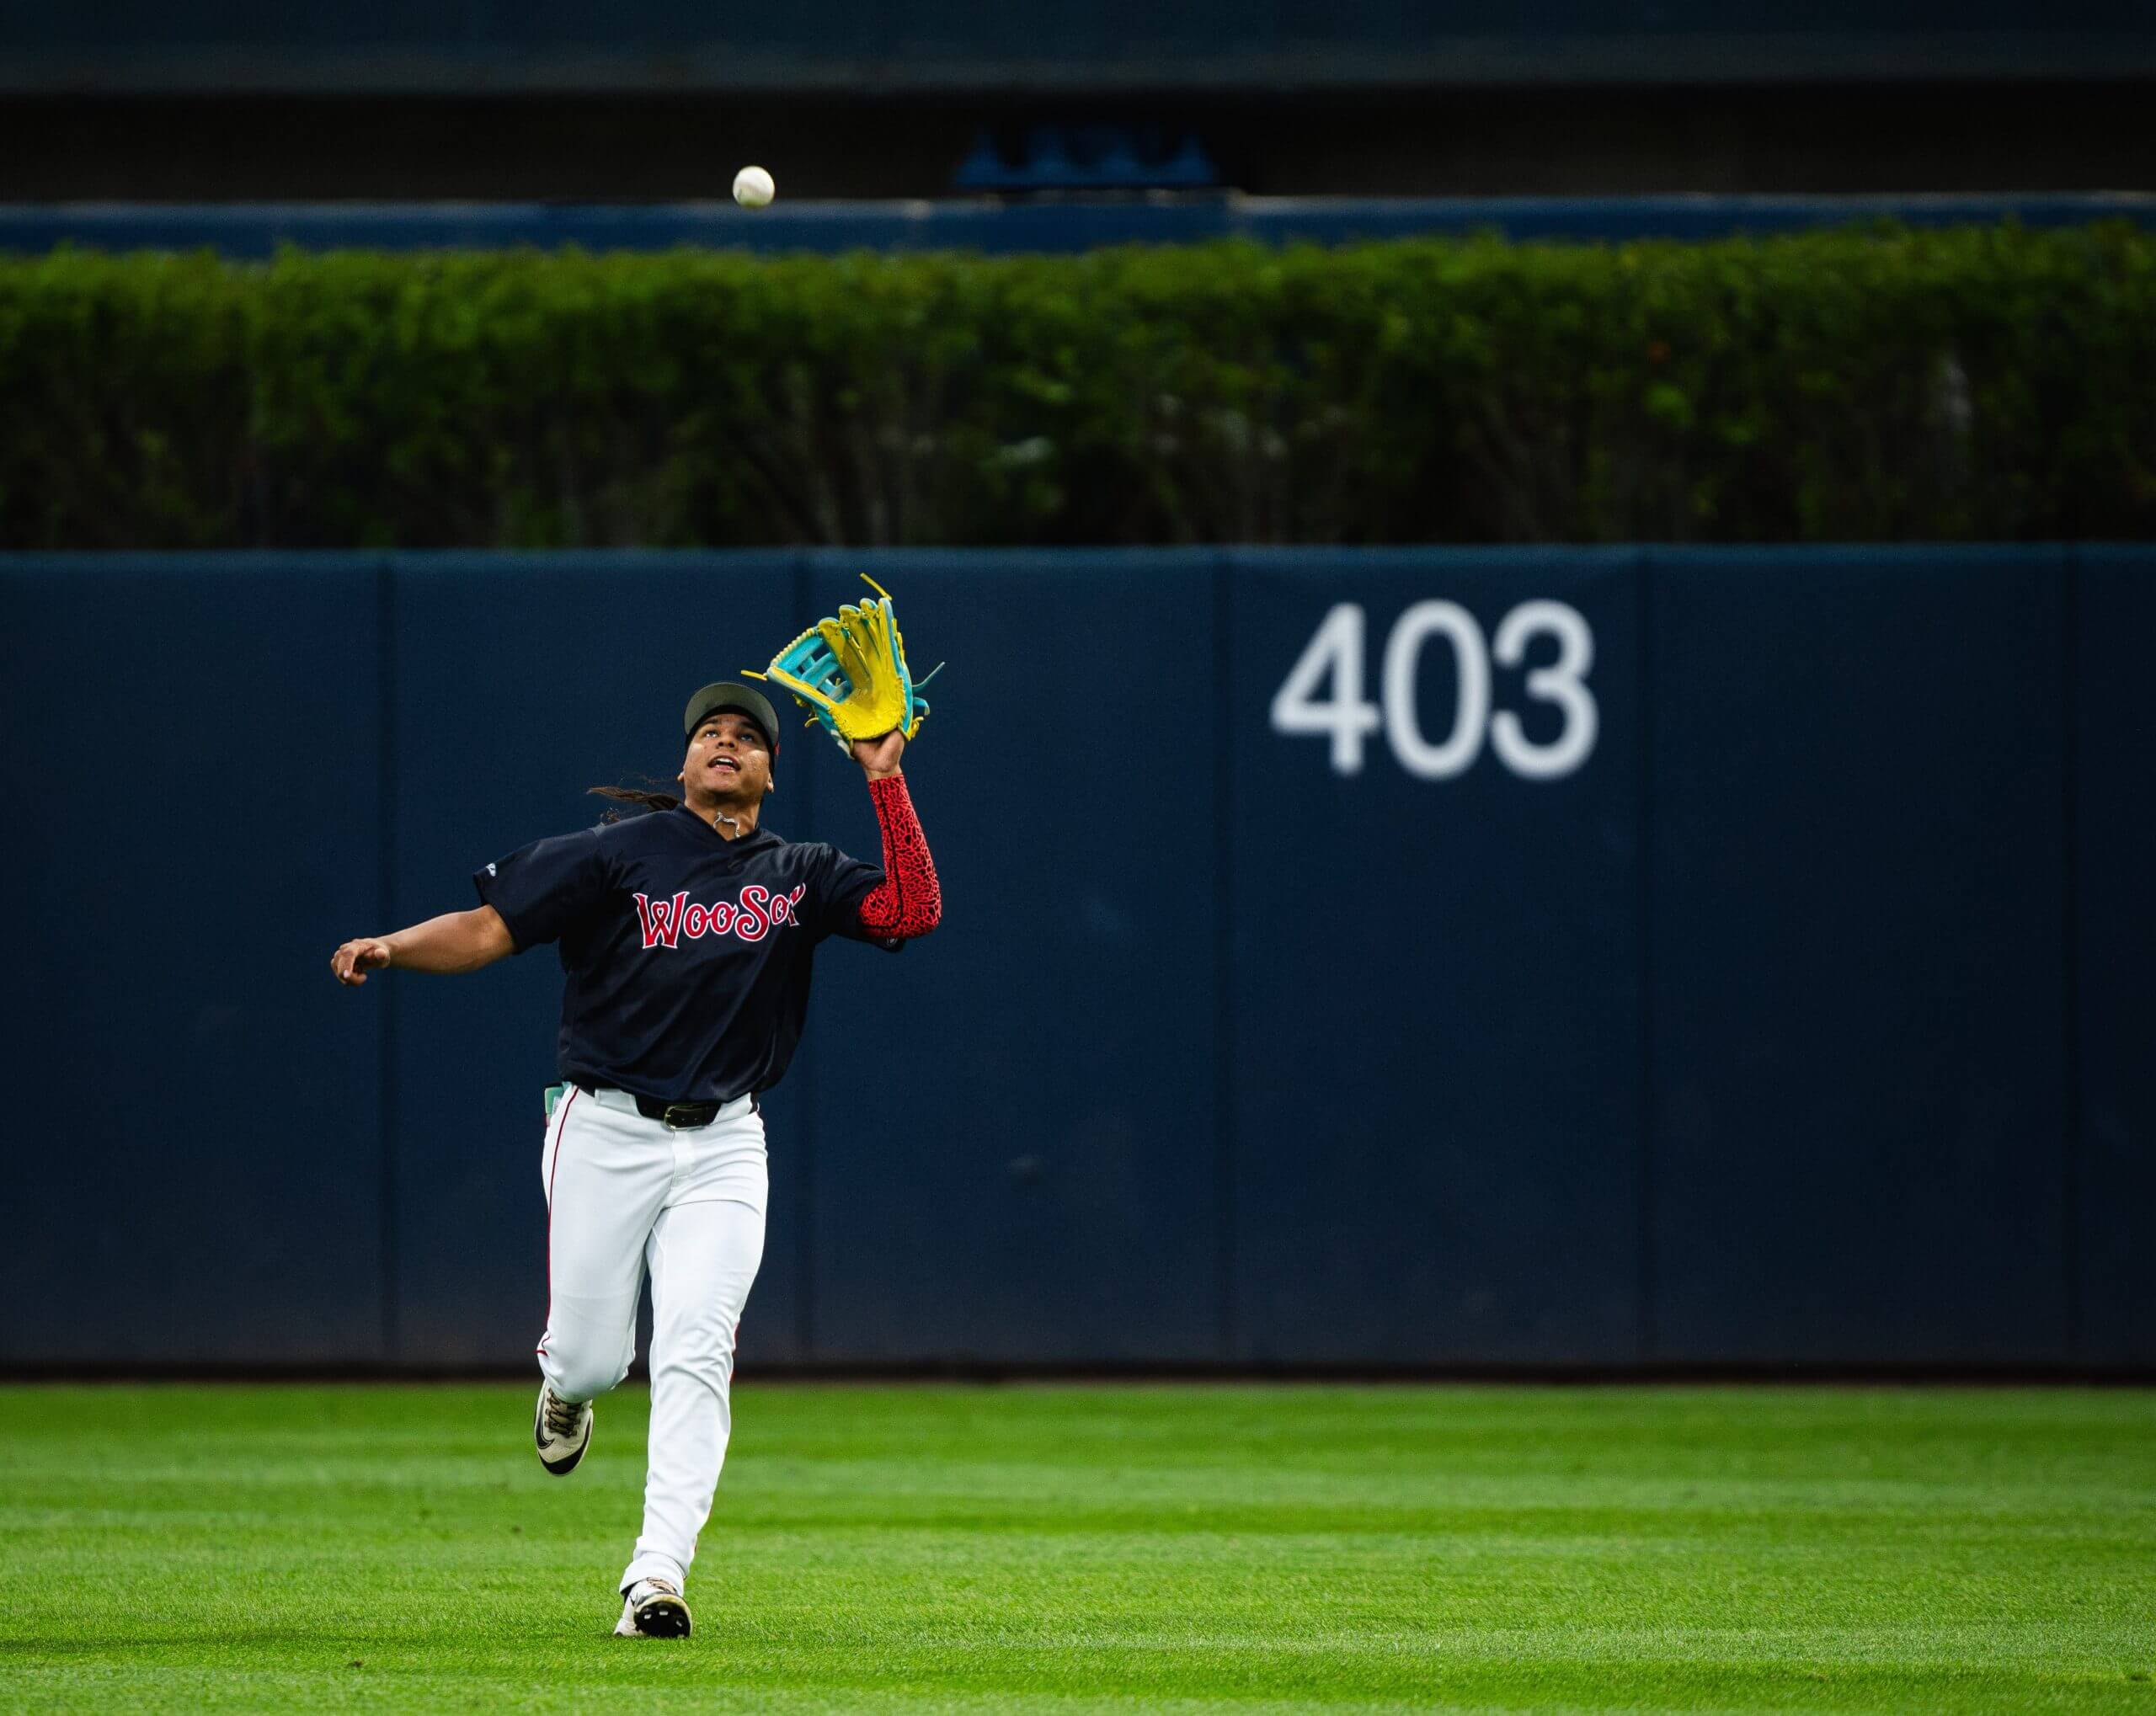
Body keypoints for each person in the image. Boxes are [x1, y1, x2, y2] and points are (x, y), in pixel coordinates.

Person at [329, 681, 940, 1638]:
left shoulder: (801, 872)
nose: (726, 743)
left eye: (747, 737)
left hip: (726, 1143)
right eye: (710, 733)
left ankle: (656, 1576)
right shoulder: (616, 854)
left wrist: (885, 779)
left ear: (771, 772)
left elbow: (912, 910)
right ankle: (565, 1389)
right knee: (590, 1359)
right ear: (687, 764)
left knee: (696, 1349)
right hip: (605, 1130)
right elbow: (488, 930)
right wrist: (392, 946)